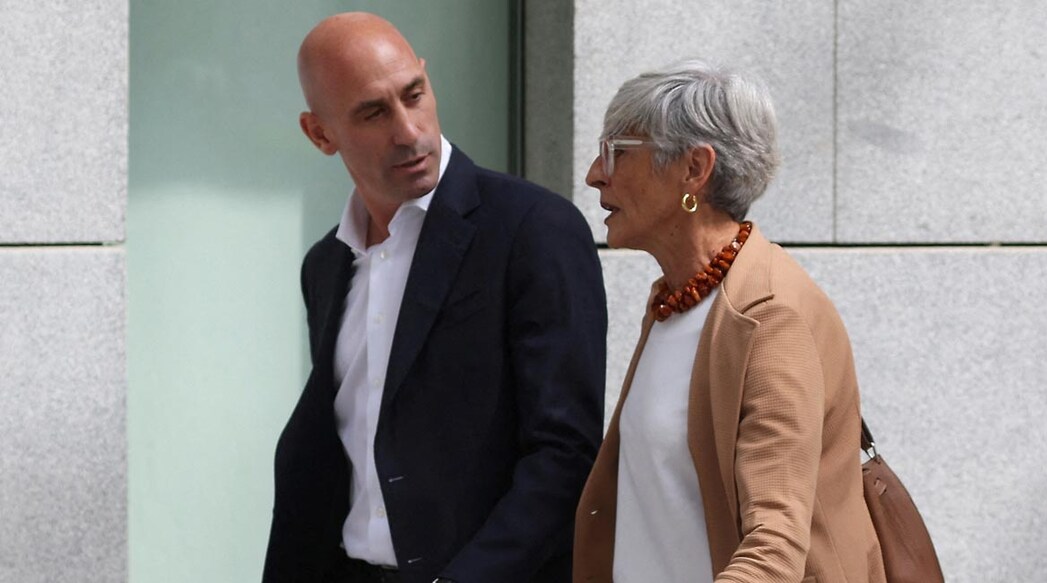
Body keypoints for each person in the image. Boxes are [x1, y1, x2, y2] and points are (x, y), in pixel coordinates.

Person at [263, 13, 607, 583]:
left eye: (413, 95)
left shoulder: (532, 229)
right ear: (320, 134)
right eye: (373, 112)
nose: (409, 130)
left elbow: (565, 454)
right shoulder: (326, 265)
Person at [572, 60, 886, 583]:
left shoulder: (768, 318)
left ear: (695, 169)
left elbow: (775, 549)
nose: (594, 174)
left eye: (617, 153)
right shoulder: (676, 298)